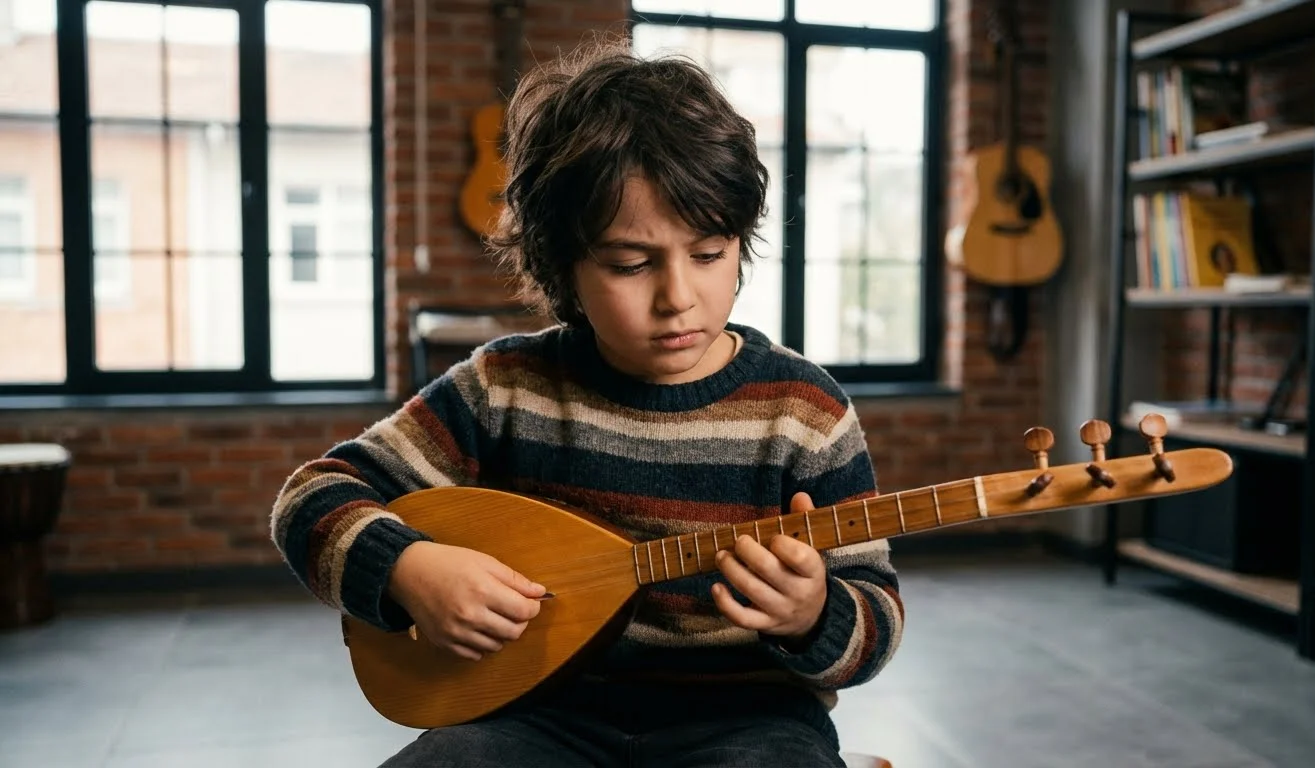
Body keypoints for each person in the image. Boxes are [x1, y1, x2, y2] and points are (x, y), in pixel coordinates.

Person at [270, 36, 904, 768]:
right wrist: (409, 571)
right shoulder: (504, 389)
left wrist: (812, 616)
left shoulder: (803, 411)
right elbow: (309, 498)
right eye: (630, 263)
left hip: (746, 721)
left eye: (709, 254)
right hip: (533, 716)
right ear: (560, 263)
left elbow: (874, 617)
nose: (678, 297)